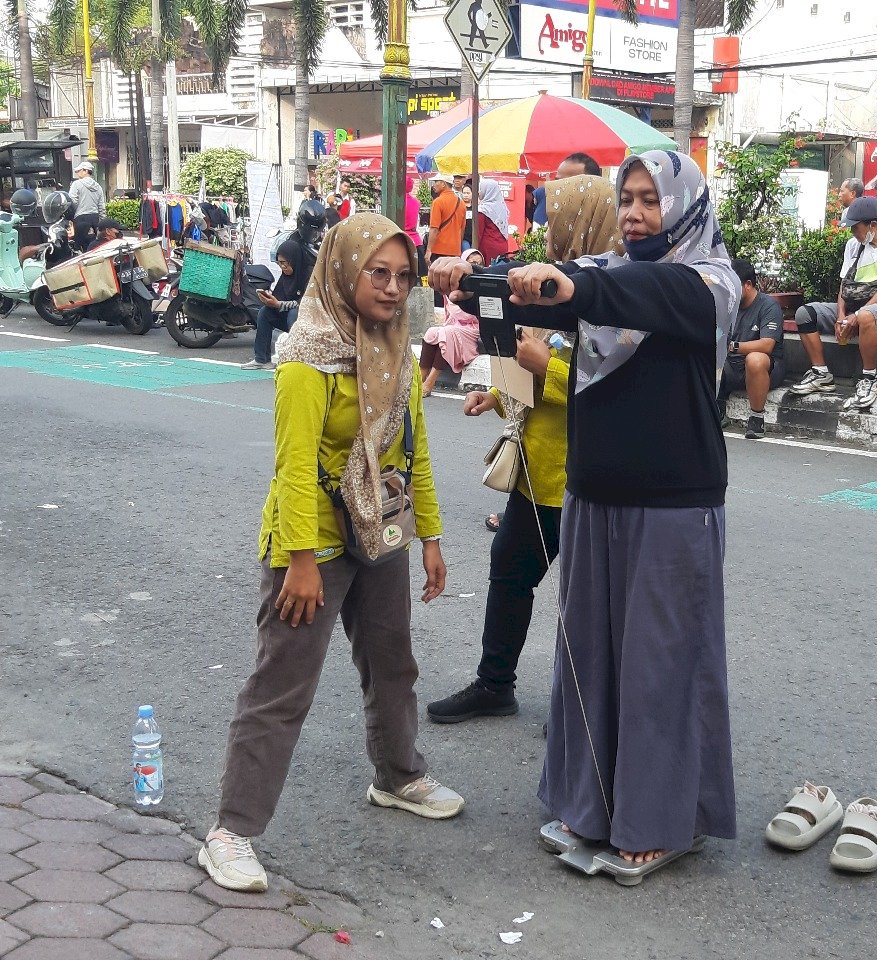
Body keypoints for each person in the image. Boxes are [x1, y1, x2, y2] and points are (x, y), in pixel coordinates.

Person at [431, 149, 740, 867]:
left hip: (671, 504)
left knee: (658, 668)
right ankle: (591, 807)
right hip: (593, 495)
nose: (633, 212)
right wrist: (467, 276)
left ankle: (662, 821)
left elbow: (628, 296)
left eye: (649, 200)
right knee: (591, 662)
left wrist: (558, 288)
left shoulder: (709, 284)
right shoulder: (596, 271)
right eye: (625, 198)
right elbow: (522, 311)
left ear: (685, 206)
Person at [199, 214, 459, 894]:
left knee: (392, 661)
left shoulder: (394, 348)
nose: (393, 288)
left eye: (404, 276)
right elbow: (291, 469)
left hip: (381, 532)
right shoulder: (307, 356)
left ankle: (398, 775)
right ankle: (231, 831)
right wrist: (303, 561)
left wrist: (430, 538)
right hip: (311, 539)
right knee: (283, 684)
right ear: (344, 270)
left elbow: (414, 452)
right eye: (379, 272)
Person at [426, 174, 623, 723]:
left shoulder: (618, 292)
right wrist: (497, 393)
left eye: (560, 218)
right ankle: (495, 683)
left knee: (585, 602)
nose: (551, 231)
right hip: (536, 472)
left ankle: (581, 710)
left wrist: (550, 370)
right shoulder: (544, 284)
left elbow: (616, 389)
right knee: (510, 571)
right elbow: (529, 352)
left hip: (585, 476)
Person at [790, 196, 877, 411]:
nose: (853, 232)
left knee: (865, 316)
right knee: (804, 313)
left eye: (856, 227)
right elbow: (845, 283)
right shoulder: (853, 245)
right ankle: (821, 373)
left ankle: (869, 378)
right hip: (855, 306)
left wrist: (858, 314)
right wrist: (840, 315)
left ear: (872, 225)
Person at [718, 259, 784, 439]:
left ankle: (756, 418)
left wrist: (733, 346)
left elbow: (767, 345)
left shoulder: (768, 306)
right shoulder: (727, 305)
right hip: (731, 366)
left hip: (765, 369)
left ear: (748, 285)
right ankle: (716, 407)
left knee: (755, 359)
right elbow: (717, 334)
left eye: (733, 285)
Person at [240, 235, 313, 371]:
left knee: (293, 313)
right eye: (280, 263)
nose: (283, 267)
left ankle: (297, 358)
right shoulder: (286, 276)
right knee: (265, 312)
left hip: (307, 320)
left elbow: (304, 303)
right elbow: (279, 298)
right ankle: (262, 359)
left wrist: (279, 304)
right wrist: (269, 300)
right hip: (288, 317)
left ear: (294, 260)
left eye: (285, 263)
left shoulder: (308, 274)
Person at [419, 249, 486, 394]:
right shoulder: (450, 284)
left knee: (448, 333)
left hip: (472, 329)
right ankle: (419, 378)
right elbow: (450, 314)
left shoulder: (480, 286)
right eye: (472, 263)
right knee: (432, 332)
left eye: (479, 264)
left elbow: (472, 316)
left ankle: (430, 382)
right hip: (454, 326)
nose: (476, 266)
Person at [427, 174, 465, 307]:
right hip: (455, 250)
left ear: (443, 183)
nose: (434, 185)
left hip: (439, 250)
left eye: (436, 182)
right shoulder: (461, 203)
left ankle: (439, 311)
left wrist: (428, 250)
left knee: (438, 285)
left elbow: (434, 228)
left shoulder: (438, 202)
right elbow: (462, 229)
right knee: (451, 284)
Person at [69, 161, 106, 252]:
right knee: (94, 248)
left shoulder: (76, 184)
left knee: (78, 248)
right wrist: (102, 222)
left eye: (79, 170)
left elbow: (72, 202)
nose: (77, 173)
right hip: (95, 218)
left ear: (85, 171)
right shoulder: (98, 186)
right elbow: (101, 206)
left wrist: (70, 218)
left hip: (80, 219)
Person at [474, 177, 510, 264]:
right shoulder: (502, 207)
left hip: (488, 248)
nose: (479, 192)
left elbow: (477, 234)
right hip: (503, 246)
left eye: (481, 189)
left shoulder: (483, 210)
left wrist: (473, 251)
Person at [403, 175, 425, 275]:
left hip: (401, 239)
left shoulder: (396, 202)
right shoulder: (416, 202)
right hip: (416, 240)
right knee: (420, 271)